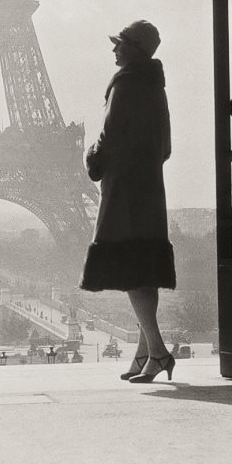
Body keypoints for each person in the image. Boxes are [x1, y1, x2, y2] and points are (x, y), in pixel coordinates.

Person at [79, 20, 176, 383]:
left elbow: (110, 131)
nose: (114, 49)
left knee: (132, 269)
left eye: (119, 44)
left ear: (133, 49)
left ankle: (158, 352)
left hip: (125, 190)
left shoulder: (125, 82)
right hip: (150, 186)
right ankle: (143, 355)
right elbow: (165, 147)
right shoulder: (155, 87)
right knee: (145, 265)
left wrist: (94, 157)